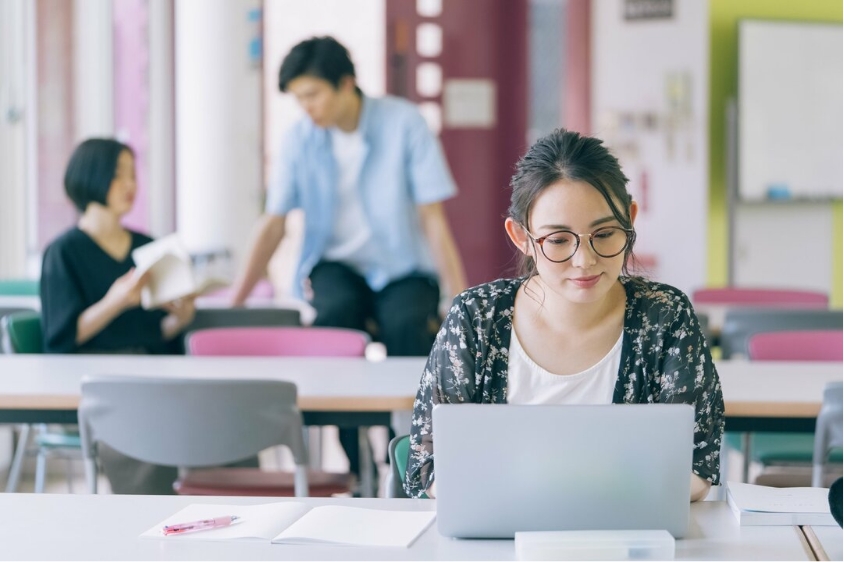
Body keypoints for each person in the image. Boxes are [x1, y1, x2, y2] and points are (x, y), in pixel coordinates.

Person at [405, 128, 725, 502]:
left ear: (630, 219)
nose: (584, 261)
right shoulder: (476, 319)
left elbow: (698, 464)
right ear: (521, 236)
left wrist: (562, 497)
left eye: (604, 234)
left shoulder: (665, 318)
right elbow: (429, 469)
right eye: (558, 240)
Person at [230, 36, 467, 482]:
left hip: (402, 268)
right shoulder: (300, 139)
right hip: (335, 265)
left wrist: (457, 298)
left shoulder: (404, 124)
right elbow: (274, 223)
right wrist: (236, 301)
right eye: (299, 99)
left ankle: (412, 459)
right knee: (335, 317)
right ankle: (356, 465)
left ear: (346, 84)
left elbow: (433, 219)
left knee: (407, 325)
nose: (307, 108)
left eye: (312, 95)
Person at [40, 138, 197, 493]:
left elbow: (156, 332)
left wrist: (181, 317)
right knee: (148, 431)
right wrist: (116, 300)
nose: (131, 185)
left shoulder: (148, 247)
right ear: (90, 178)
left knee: (220, 420)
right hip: (97, 381)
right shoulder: (63, 252)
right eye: (118, 175)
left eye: (132, 174)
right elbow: (60, 338)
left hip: (153, 373)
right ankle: (156, 529)